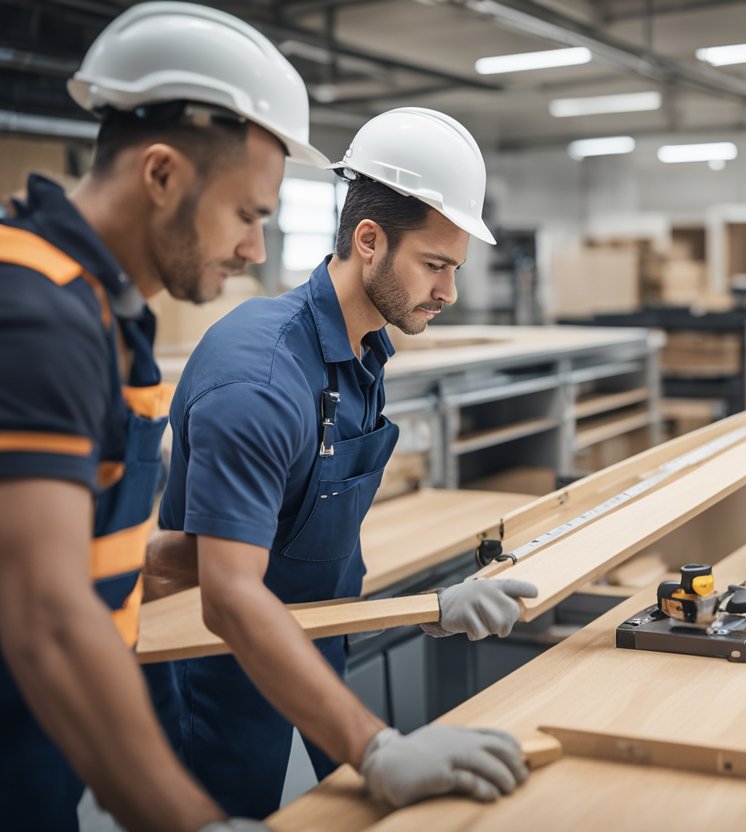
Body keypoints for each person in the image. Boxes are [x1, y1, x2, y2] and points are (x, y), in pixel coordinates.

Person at [143, 107, 538, 819]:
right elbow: (229, 594)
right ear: (368, 241)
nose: (448, 292)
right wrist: (376, 746)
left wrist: (423, 609)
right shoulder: (260, 381)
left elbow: (309, 540)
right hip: (218, 665)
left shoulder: (362, 352)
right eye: (436, 265)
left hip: (318, 638)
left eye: (454, 269)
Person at [0, 2, 328, 829]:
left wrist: (228, 548)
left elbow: (78, 549)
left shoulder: (103, 313)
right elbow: (44, 615)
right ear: (161, 175)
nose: (257, 251)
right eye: (249, 214)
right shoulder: (38, 315)